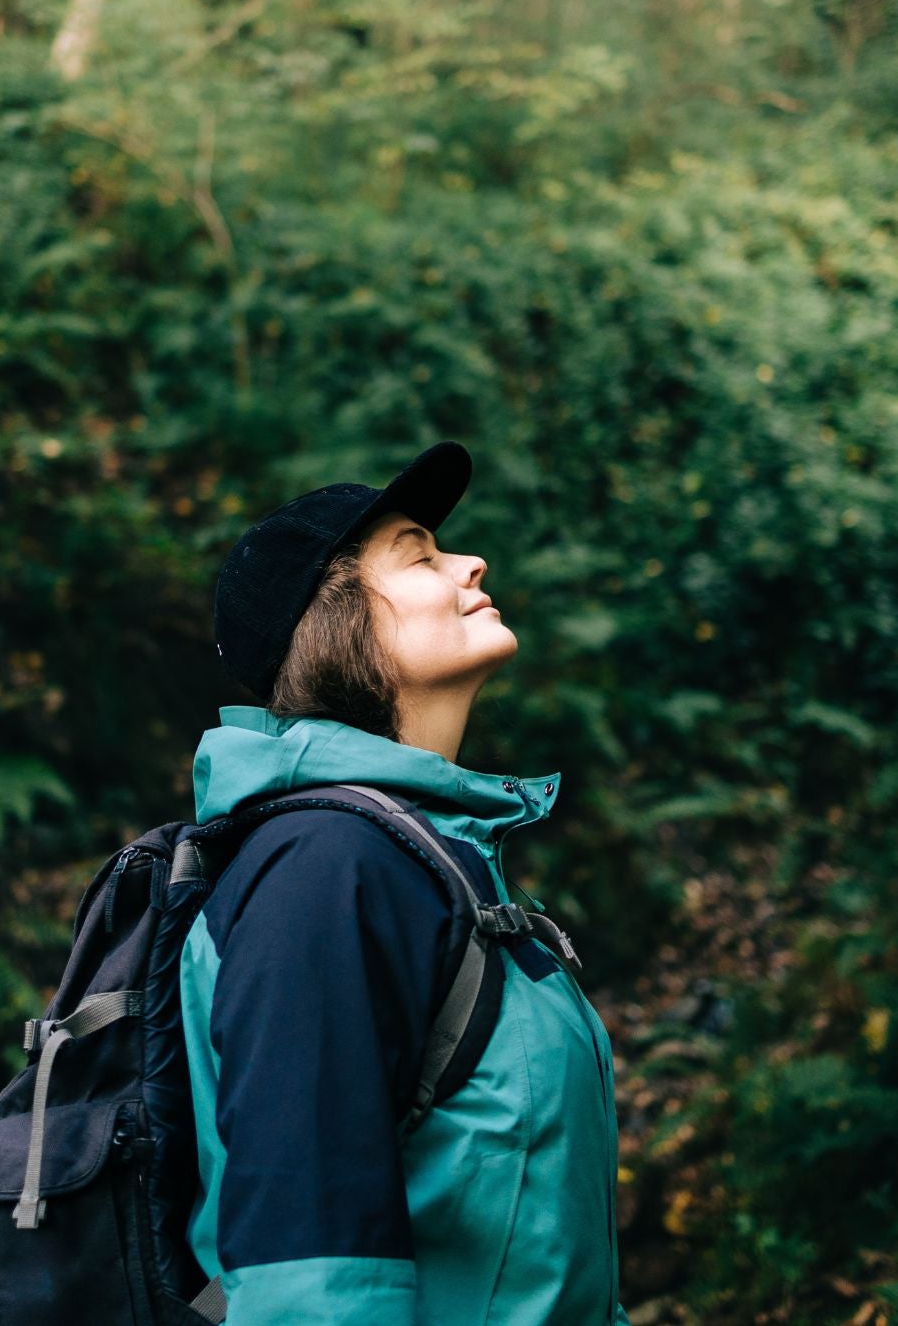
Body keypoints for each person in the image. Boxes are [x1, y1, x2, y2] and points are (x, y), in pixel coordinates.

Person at [182, 440, 631, 1325]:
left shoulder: (427, 854)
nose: (471, 562)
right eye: (422, 555)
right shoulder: (325, 869)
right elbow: (309, 1275)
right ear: (333, 625)